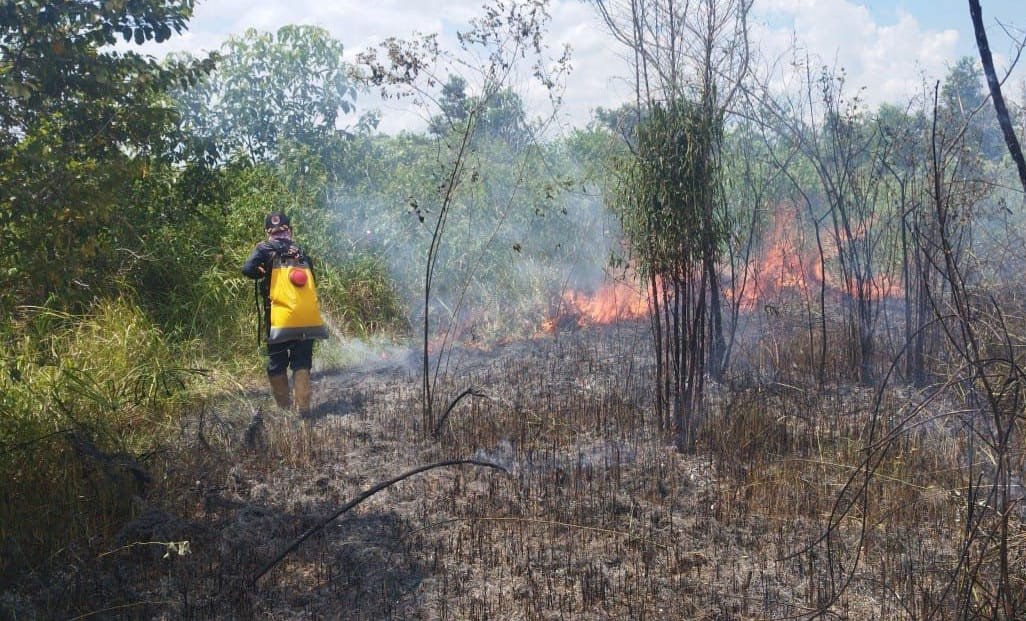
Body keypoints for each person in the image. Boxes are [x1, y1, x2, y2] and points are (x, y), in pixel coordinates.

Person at [242, 211, 327, 414]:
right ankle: (304, 410)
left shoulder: (264, 249)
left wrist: (262, 271)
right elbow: (312, 279)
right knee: (302, 362)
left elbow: (247, 269)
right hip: (307, 319)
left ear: (268, 232)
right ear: (290, 230)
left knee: (277, 363)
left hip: (279, 320)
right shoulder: (301, 251)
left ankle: (285, 411)